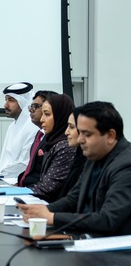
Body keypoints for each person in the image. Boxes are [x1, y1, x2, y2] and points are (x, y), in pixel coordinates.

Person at [18, 101, 131, 236]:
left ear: (111, 136)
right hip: (87, 238)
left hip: (116, 251)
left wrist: (51, 217)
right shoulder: (94, 155)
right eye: (80, 132)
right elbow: (74, 199)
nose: (81, 139)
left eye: (87, 134)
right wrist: (42, 210)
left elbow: (107, 220)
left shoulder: (126, 165)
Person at [26, 93, 76, 202]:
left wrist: (15, 192)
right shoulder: (51, 140)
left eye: (47, 114)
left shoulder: (65, 146)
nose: (42, 119)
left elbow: (47, 187)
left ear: (60, 115)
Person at [0, 82, 40, 179]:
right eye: (6, 100)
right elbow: (7, 162)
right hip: (5, 180)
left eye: (11, 100)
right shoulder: (12, 126)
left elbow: (24, 166)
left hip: (18, 183)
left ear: (24, 102)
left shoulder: (33, 127)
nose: (5, 105)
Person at [16, 90, 57, 187]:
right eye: (31, 106)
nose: (31, 110)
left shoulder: (55, 140)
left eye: (36, 106)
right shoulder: (39, 134)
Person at [57, 108, 86, 199]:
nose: (66, 132)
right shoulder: (79, 158)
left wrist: (49, 212)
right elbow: (72, 198)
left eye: (72, 127)